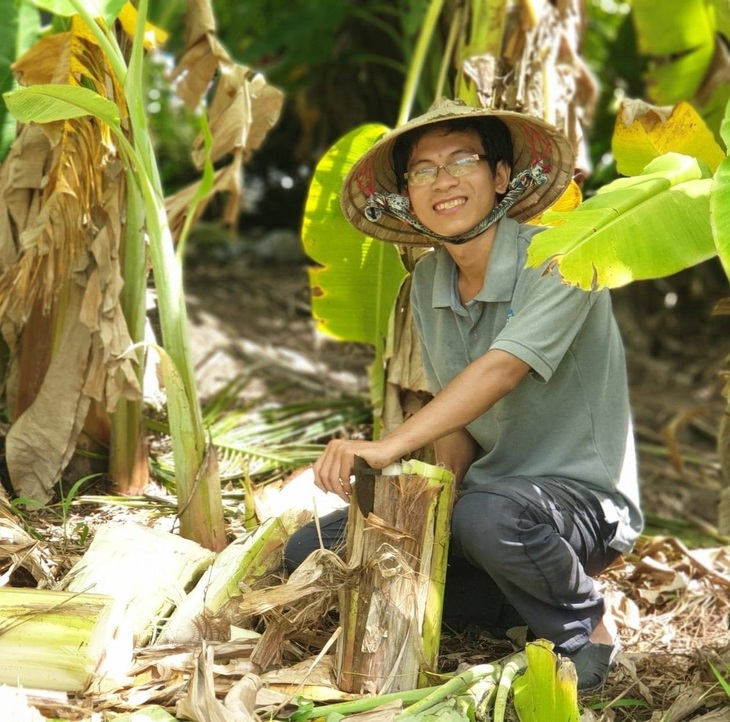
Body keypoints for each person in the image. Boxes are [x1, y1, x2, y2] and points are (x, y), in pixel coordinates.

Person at [285, 98, 643, 692]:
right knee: (312, 548)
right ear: (406, 194)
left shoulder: (561, 257)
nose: (442, 181)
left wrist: (389, 446)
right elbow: (452, 405)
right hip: (489, 501)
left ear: (501, 178)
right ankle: (511, 602)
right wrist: (434, 504)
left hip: (579, 504)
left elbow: (500, 371)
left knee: (489, 517)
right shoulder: (427, 279)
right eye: (422, 170)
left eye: (462, 161)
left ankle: (586, 628)